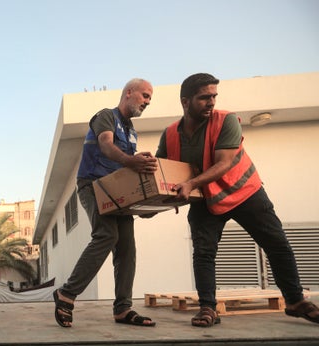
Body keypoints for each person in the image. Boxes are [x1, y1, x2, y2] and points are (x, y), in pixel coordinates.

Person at [156, 73, 319, 327]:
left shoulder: (227, 120)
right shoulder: (169, 135)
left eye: (214, 96)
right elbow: (162, 171)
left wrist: (190, 184)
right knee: (203, 253)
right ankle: (208, 309)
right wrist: (149, 204)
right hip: (206, 200)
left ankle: (296, 301)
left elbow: (224, 162)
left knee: (277, 244)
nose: (211, 102)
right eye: (204, 97)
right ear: (185, 102)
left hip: (245, 193)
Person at [53, 78, 157, 328]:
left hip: (116, 190)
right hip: (93, 184)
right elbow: (106, 146)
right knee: (106, 235)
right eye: (144, 95)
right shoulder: (106, 117)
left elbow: (129, 172)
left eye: (150, 99)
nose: (147, 102)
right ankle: (66, 294)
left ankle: (123, 309)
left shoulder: (132, 131)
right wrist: (131, 161)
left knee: (127, 247)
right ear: (128, 93)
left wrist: (147, 201)